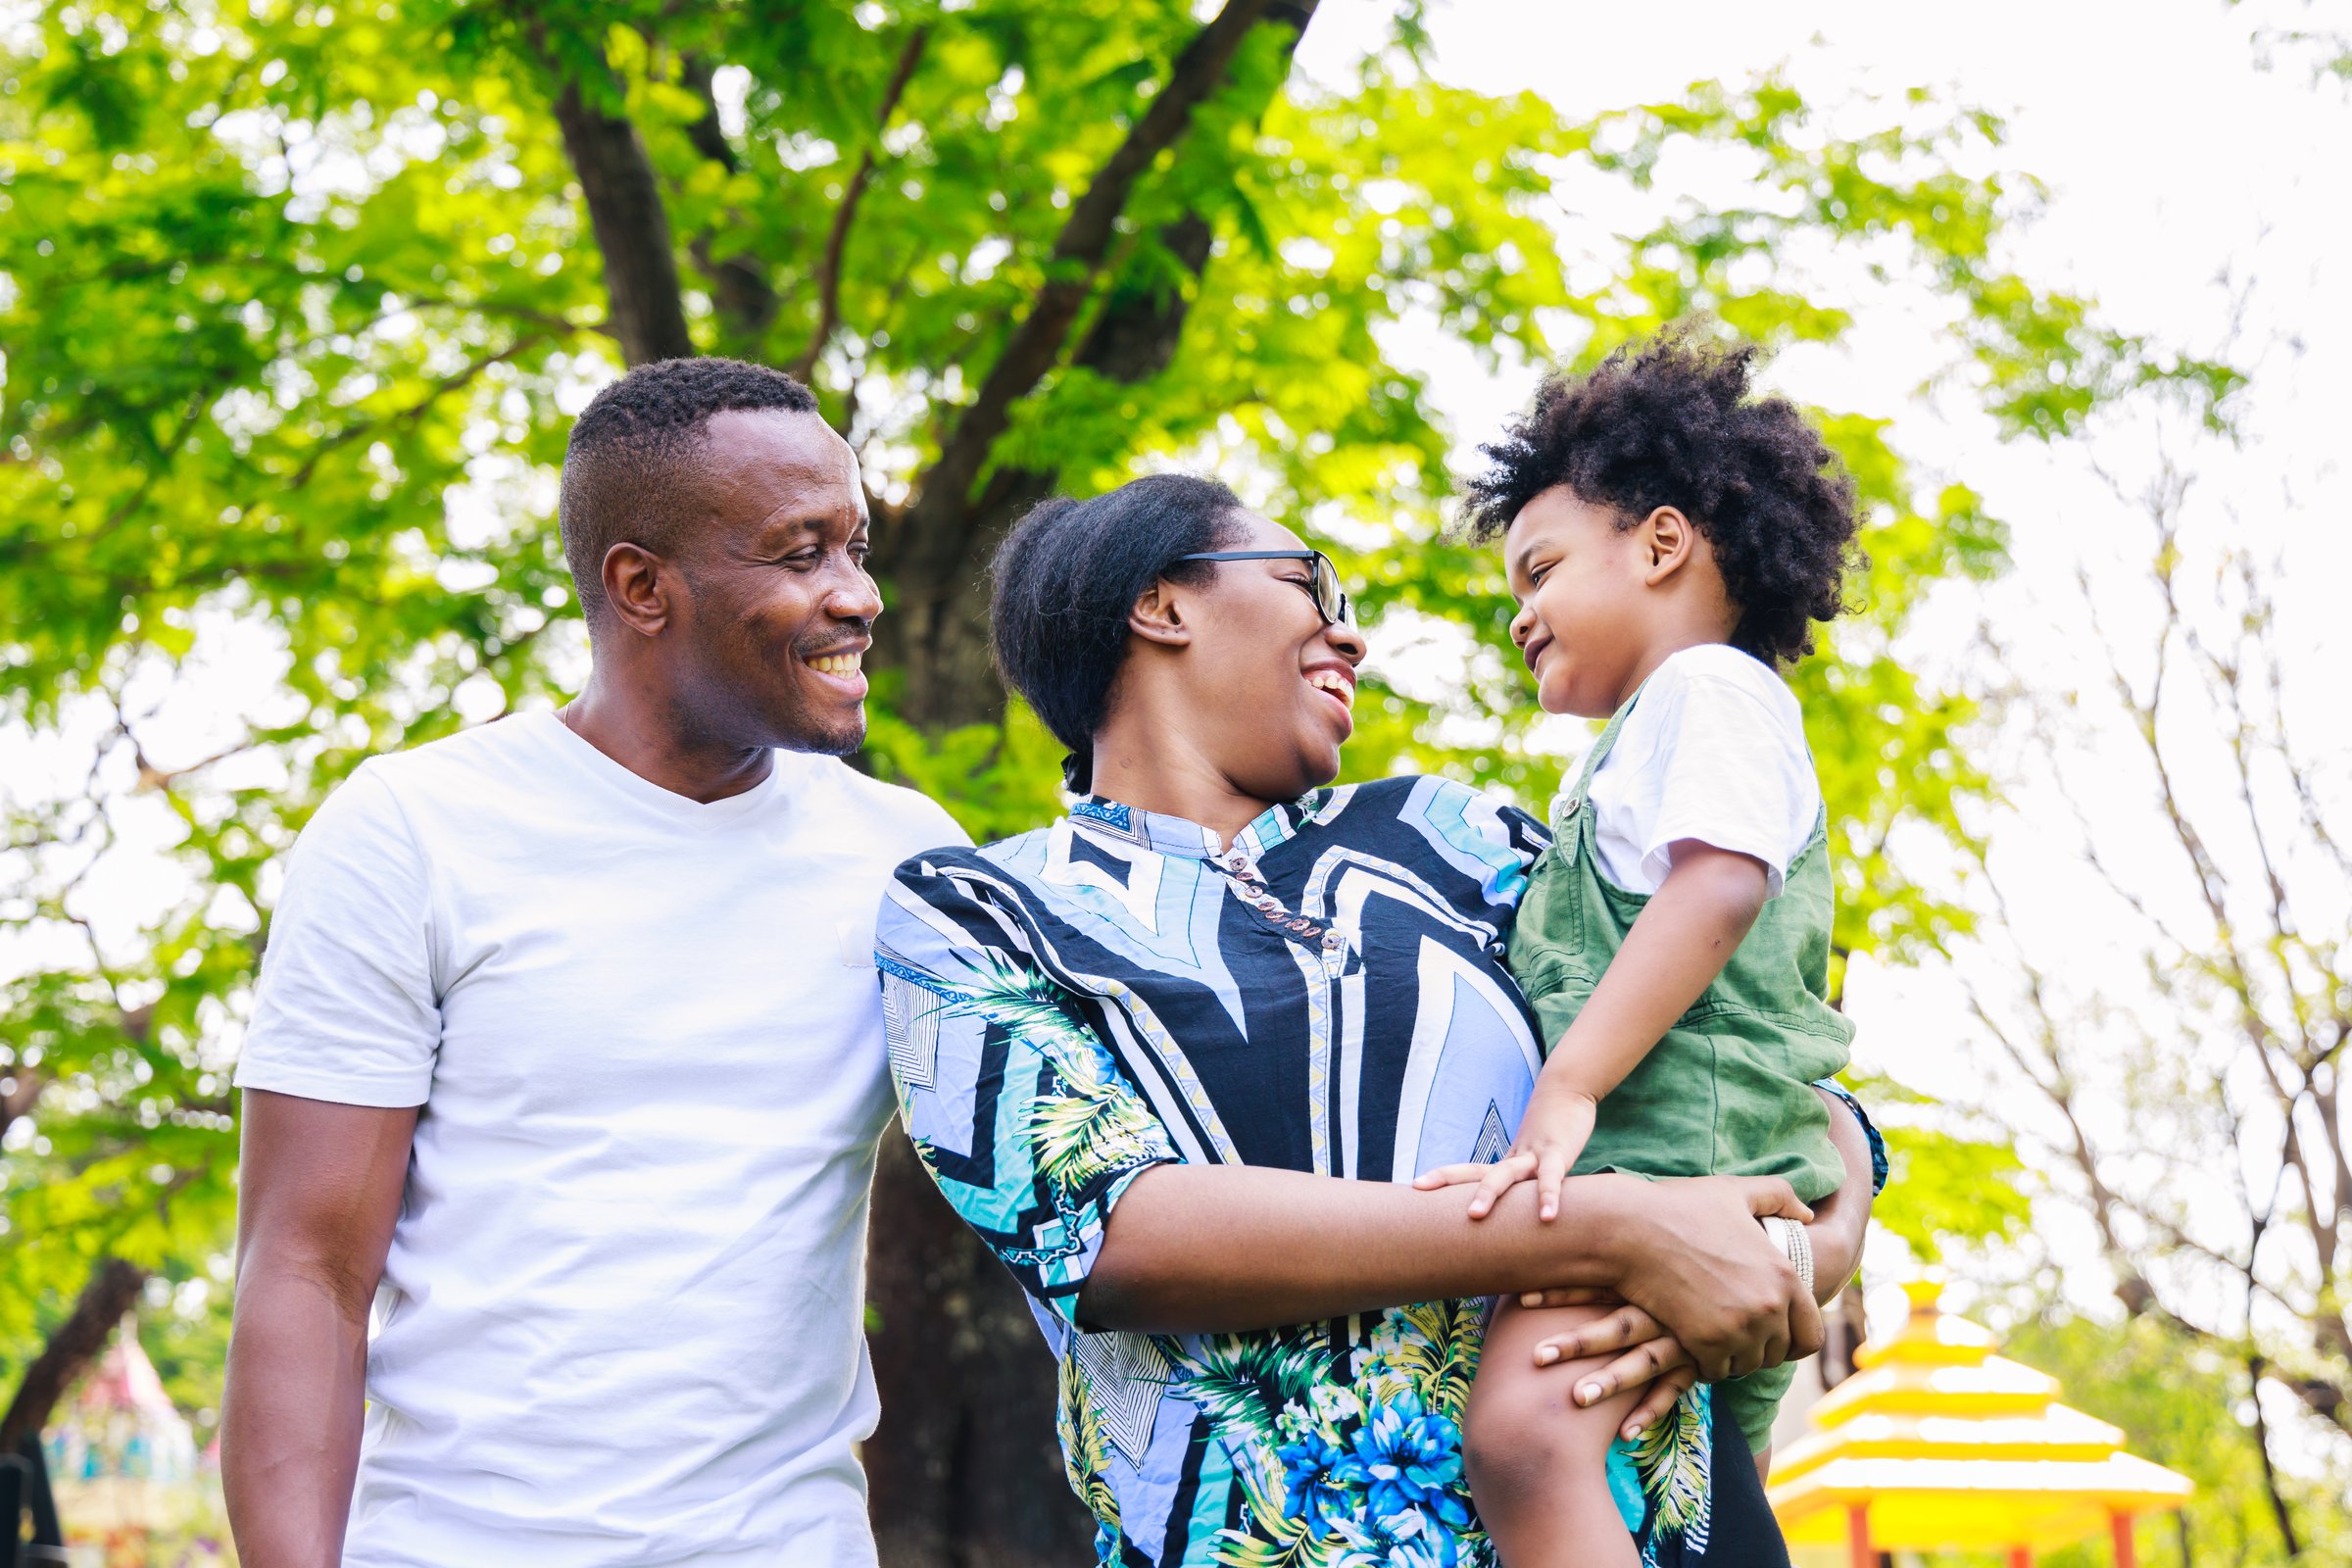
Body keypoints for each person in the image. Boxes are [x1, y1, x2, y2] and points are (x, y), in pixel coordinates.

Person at [875, 473, 1884, 1566]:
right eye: (1315, 582)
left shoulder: (1461, 838)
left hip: (1655, 1512)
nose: (1350, 636)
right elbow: (1104, 1231)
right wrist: (1614, 1227)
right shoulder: (976, 909)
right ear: (1162, 602)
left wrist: (1809, 1240)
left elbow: (1747, 1030)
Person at [220, 358, 965, 1567]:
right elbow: (305, 1269)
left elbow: (1087, 1181)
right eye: (800, 553)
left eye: (857, 546)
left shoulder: (909, 861)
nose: (857, 595)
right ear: (640, 586)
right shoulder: (412, 828)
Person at [1414, 333, 1866, 1568]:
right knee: (1702, 1495)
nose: (1520, 610)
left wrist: (1569, 1084)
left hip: (1679, 1162)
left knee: (1520, 1431)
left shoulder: (1709, 693)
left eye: (1541, 567)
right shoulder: (1654, 734)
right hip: (1692, 1166)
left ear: (1663, 542)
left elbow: (1719, 886)